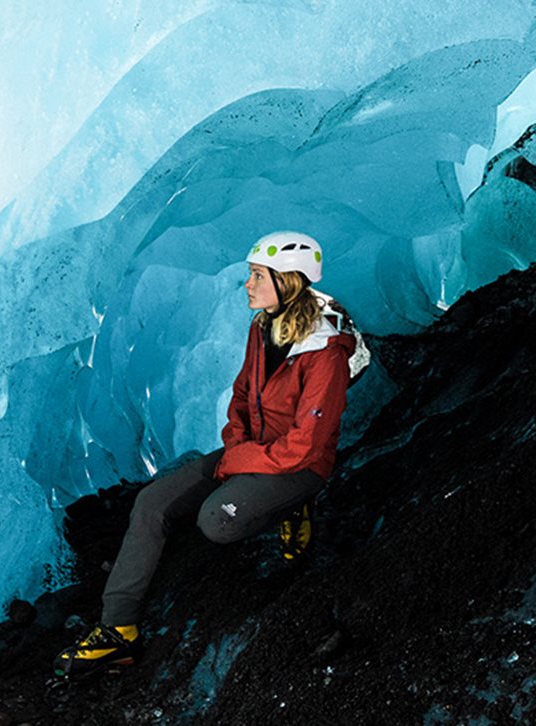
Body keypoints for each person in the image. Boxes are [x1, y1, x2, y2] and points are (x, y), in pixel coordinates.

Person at [53, 231, 358, 676]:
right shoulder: (264, 327)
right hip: (249, 454)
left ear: (288, 280)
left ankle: (295, 507)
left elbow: (305, 445)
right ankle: (118, 632)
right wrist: (235, 443)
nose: (248, 284)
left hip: (301, 468)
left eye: (257, 276)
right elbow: (241, 393)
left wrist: (238, 461)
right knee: (152, 503)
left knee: (216, 522)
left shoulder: (324, 354)